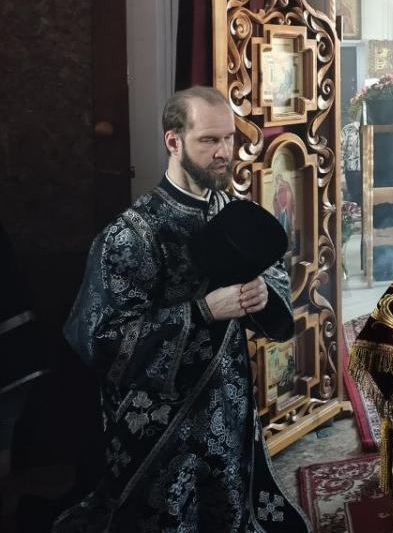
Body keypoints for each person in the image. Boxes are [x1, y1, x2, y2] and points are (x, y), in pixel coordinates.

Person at [53, 86, 308, 532]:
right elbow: (104, 341)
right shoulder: (131, 235)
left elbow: (276, 286)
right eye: (209, 140)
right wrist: (202, 312)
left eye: (228, 138)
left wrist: (264, 295)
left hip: (228, 411)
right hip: (160, 431)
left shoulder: (235, 212)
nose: (224, 152)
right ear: (173, 141)